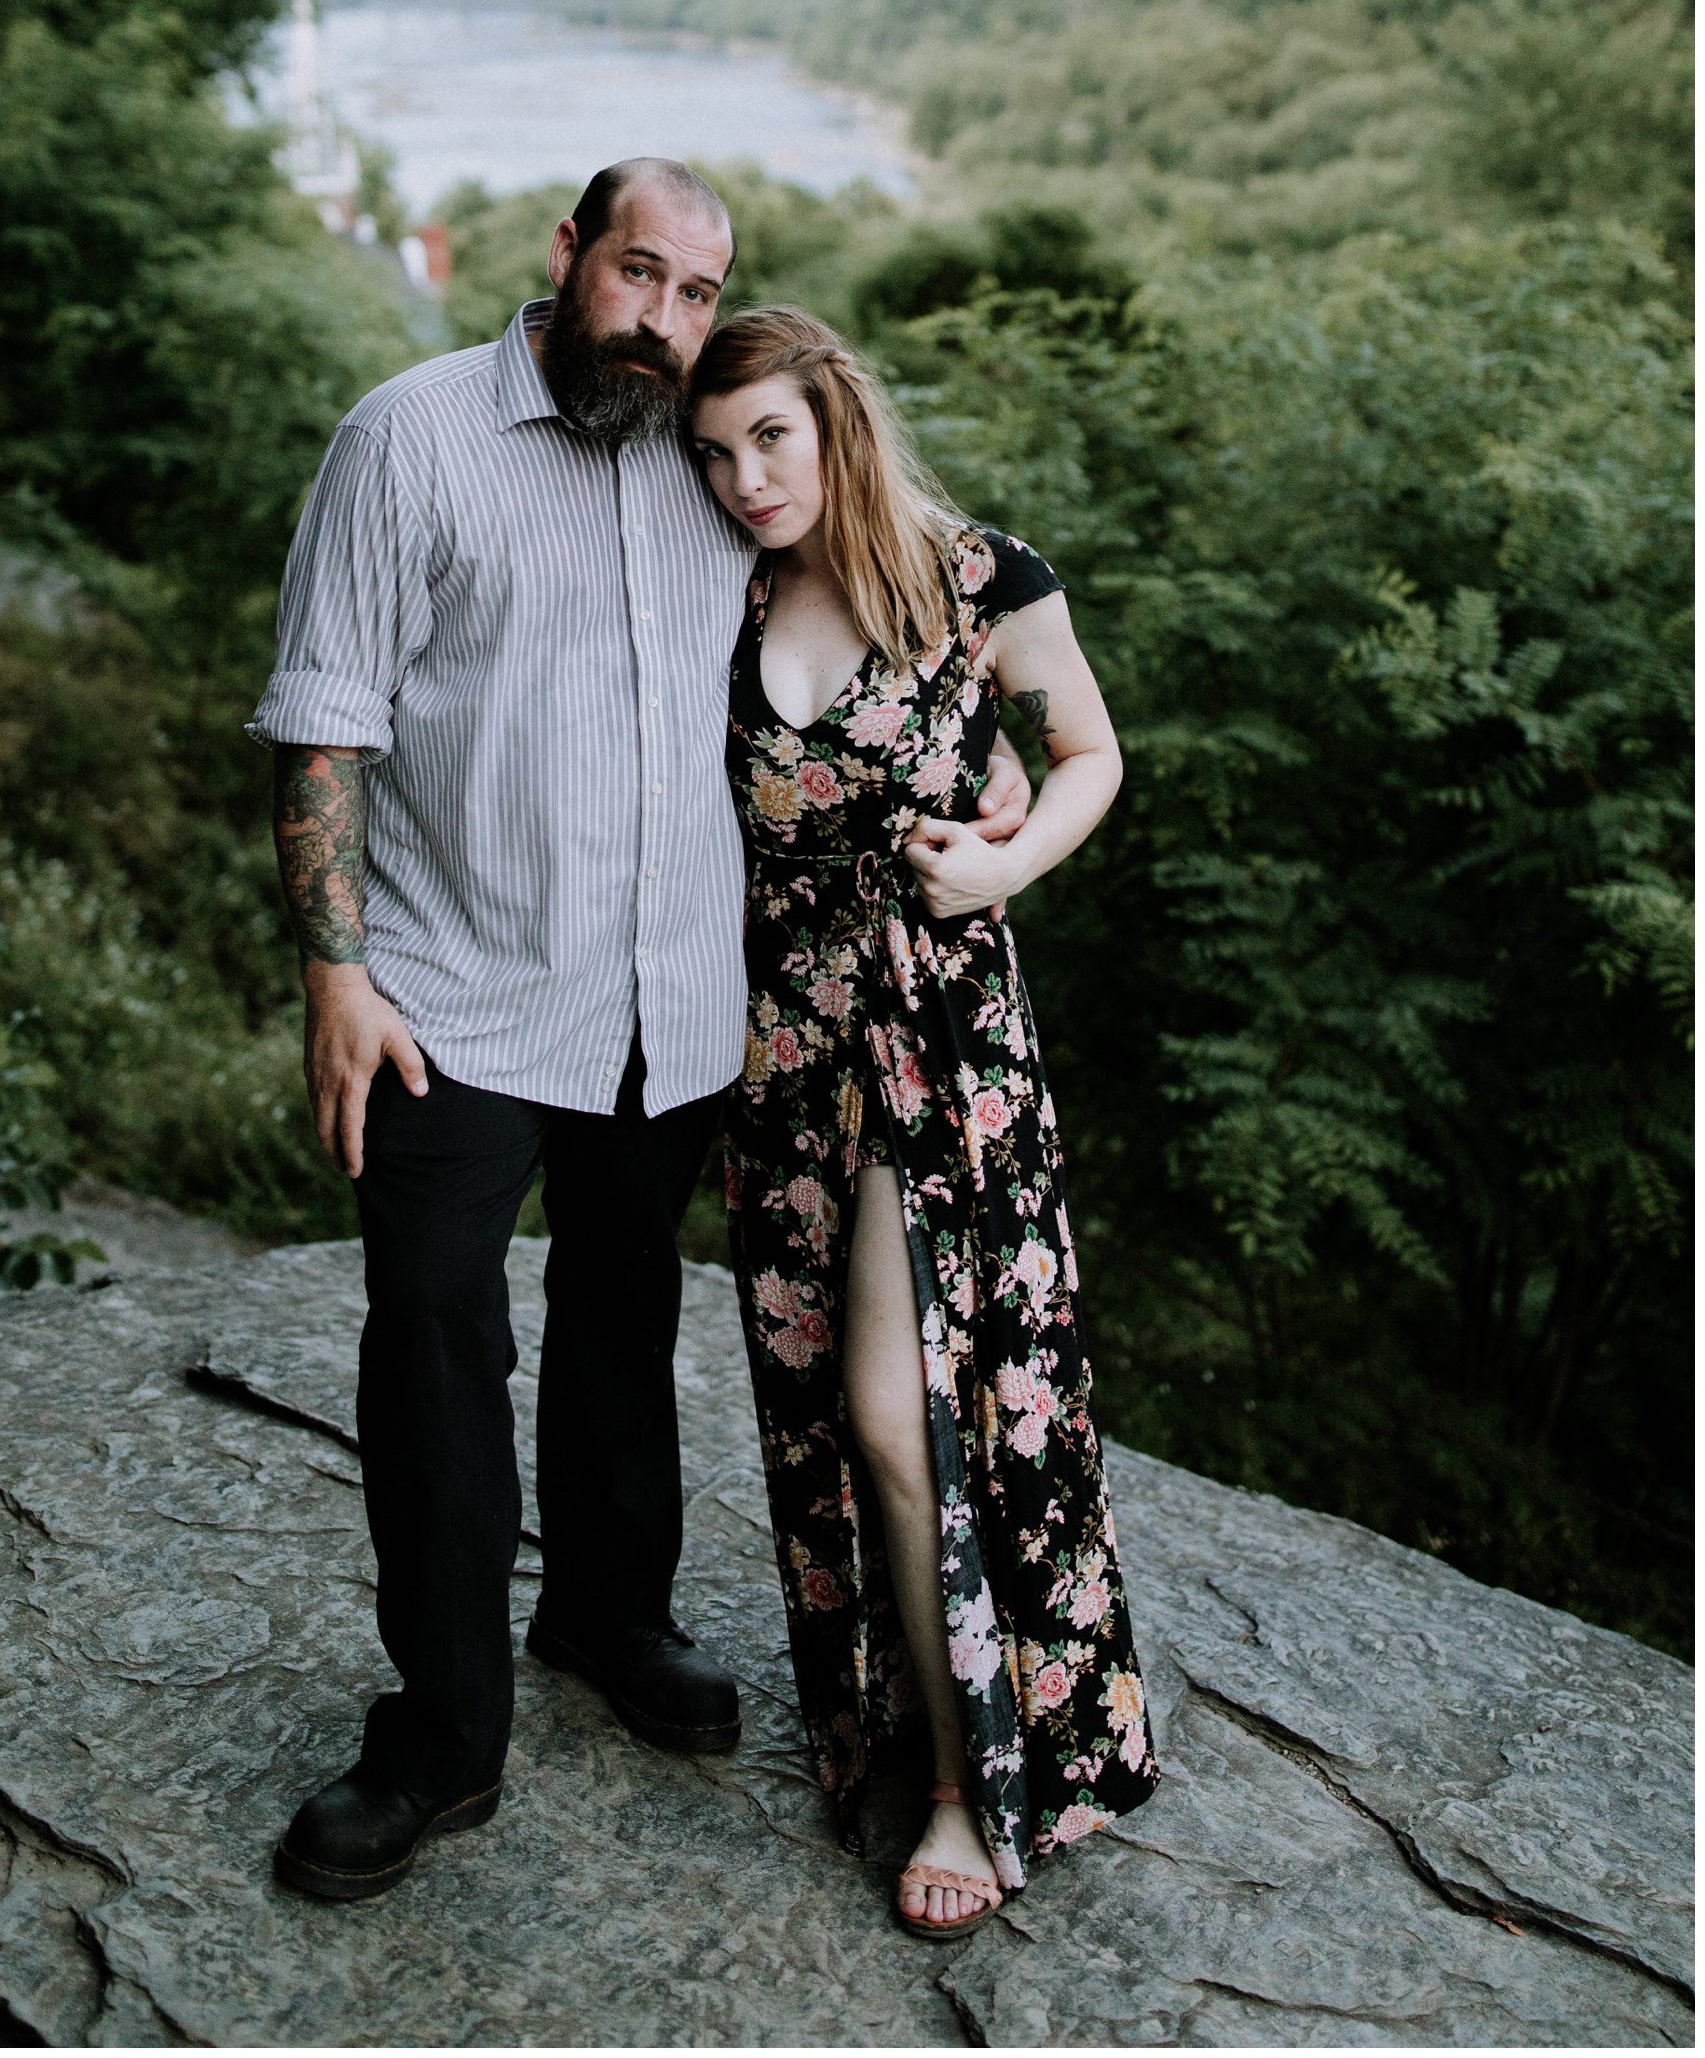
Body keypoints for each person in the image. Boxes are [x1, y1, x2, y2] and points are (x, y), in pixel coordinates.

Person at [247, 158, 1034, 1904]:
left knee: (621, 1312)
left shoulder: (717, 464)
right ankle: (441, 1741)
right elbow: (322, 719)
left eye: (697, 293)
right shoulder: (409, 437)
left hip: (678, 1002)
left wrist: (999, 810)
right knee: (435, 1334)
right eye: (640, 275)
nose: (665, 320)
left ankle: (607, 1614)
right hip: (449, 992)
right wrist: (335, 972)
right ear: (568, 256)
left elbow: (909, 614)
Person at [688, 305, 1158, 1942]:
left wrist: (1010, 856)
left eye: (772, 437)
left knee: (899, 1407)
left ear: (837, 418)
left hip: (941, 1036)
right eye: (717, 449)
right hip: (780, 1053)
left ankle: (970, 1786)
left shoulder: (977, 576)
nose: (747, 479)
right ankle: (902, 1704)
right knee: (826, 1409)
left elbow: (1088, 753)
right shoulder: (719, 590)